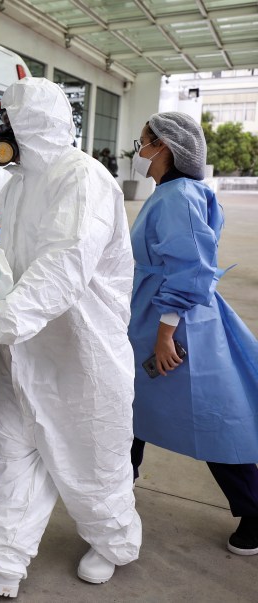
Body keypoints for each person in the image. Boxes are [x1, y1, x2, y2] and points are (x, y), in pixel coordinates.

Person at [0, 77, 141, 596]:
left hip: (82, 350)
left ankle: (112, 543)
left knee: (92, 456)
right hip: (25, 346)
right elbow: (14, 264)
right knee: (13, 451)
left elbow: (63, 267)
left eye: (7, 122)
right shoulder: (15, 188)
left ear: (32, 127)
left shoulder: (85, 180)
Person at [128, 112, 258, 556]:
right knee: (128, 405)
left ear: (163, 145)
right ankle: (116, 486)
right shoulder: (173, 192)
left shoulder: (177, 196)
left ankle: (254, 510)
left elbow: (191, 269)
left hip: (175, 322)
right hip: (156, 314)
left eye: (142, 141)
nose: (137, 149)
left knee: (211, 416)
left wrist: (166, 332)